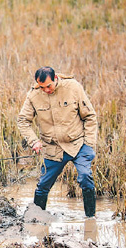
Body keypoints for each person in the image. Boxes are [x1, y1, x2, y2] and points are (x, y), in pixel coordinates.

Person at [17, 66, 98, 217]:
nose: (46, 90)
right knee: (43, 186)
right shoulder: (33, 95)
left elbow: (90, 116)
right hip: (53, 148)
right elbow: (23, 121)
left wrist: (89, 144)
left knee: (86, 178)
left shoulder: (73, 87)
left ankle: (91, 221)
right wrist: (34, 141)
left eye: (48, 86)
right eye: (42, 87)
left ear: (55, 79)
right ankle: (37, 220)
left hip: (78, 144)